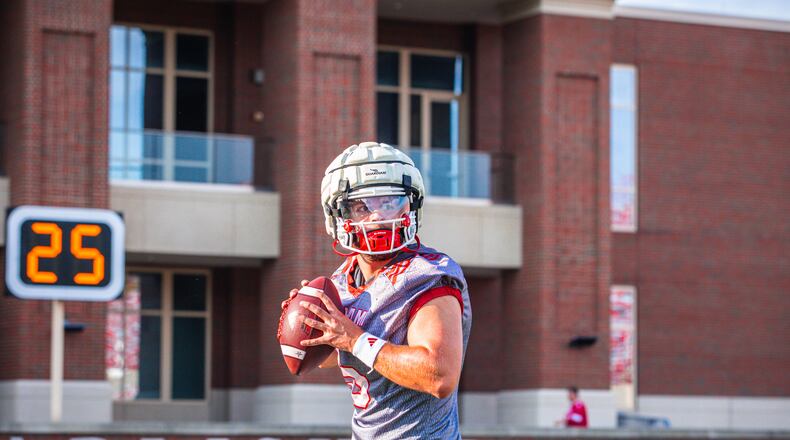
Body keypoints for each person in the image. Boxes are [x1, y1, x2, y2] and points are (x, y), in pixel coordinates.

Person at [282, 142, 472, 439]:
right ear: (338, 216)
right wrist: (313, 327)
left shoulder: (429, 274)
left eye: (389, 202)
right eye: (361, 207)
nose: (377, 216)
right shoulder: (343, 279)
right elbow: (336, 356)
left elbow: (439, 375)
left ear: (412, 205)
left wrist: (354, 338)